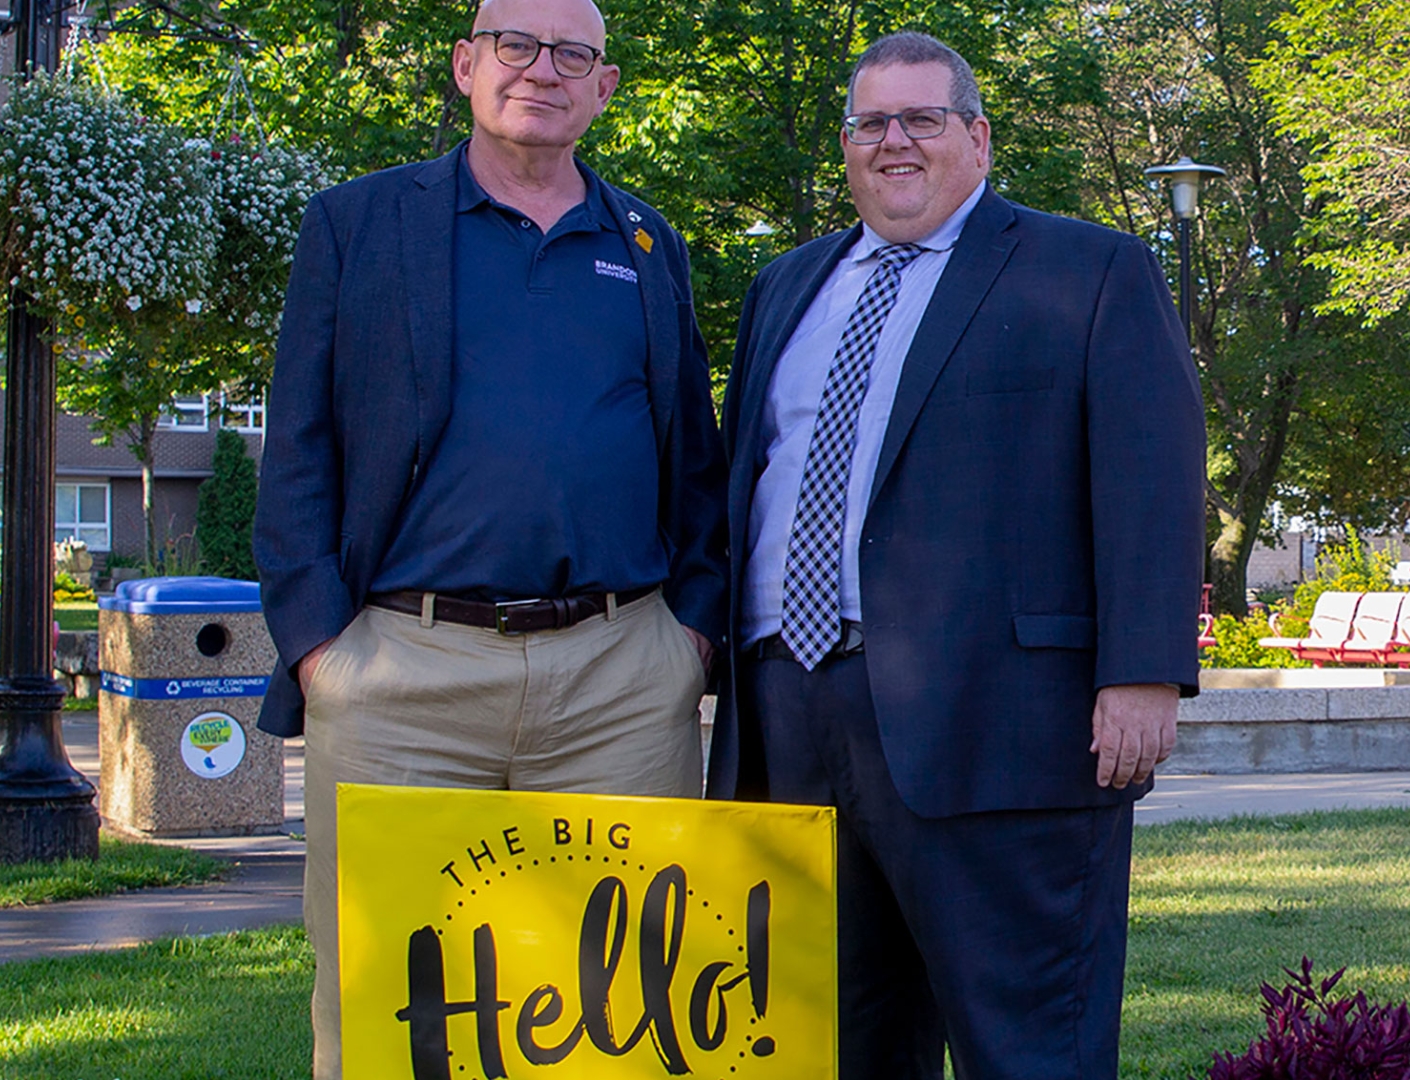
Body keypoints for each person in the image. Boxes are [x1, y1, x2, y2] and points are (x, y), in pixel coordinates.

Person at [707, 31, 1204, 1080]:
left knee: (1026, 1049)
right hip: (786, 724)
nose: (895, 142)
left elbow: (1152, 477)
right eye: (871, 122)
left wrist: (1145, 671)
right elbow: (742, 482)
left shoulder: (1089, 269)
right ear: (847, 146)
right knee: (822, 1046)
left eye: (921, 119)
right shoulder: (782, 289)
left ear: (976, 138)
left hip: (1001, 730)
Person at [253, 0, 725, 1073]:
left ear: (605, 87)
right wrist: (323, 648)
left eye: (573, 53)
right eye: (516, 44)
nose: (541, 69)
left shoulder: (650, 243)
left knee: (621, 1014)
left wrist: (689, 636)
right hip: (398, 679)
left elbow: (693, 458)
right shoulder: (358, 225)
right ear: (467, 64)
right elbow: (299, 446)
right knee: (391, 1014)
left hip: (620, 680)